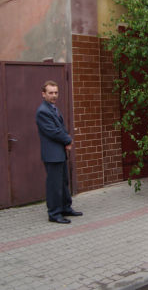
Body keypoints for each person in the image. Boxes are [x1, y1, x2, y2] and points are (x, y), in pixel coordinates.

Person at [36, 80, 82, 224]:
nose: (54, 95)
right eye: (51, 93)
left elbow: (60, 127)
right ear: (43, 94)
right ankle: (54, 214)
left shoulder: (53, 108)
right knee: (54, 185)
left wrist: (66, 140)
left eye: (56, 92)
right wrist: (68, 140)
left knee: (63, 182)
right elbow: (53, 132)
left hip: (60, 153)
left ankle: (65, 208)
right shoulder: (43, 111)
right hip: (52, 155)